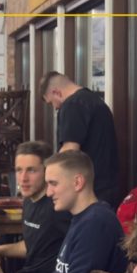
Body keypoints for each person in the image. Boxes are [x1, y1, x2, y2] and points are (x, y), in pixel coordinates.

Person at [19, 150, 126, 273]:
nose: (48, 192)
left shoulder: (96, 223)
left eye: (53, 184)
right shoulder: (83, 217)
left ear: (78, 182)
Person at [0, 140, 70, 273]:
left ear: (47, 171)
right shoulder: (29, 201)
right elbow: (30, 246)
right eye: (19, 170)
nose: (23, 178)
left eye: (31, 170)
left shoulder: (58, 207)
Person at [41, 71, 120, 205]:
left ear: (56, 92)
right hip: (107, 185)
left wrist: (50, 180)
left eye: (51, 103)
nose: (55, 107)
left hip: (88, 189)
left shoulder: (72, 105)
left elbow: (69, 151)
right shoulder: (95, 101)